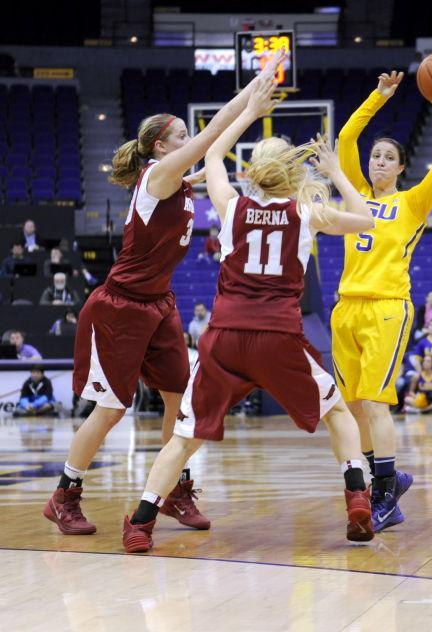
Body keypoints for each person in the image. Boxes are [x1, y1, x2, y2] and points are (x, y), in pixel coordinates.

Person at [42, 48, 287, 538]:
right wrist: (254, 89)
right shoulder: (157, 177)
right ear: (160, 147)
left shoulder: (180, 182)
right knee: (112, 409)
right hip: (120, 307)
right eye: (179, 135)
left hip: (159, 306)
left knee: (182, 398)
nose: (187, 140)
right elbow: (211, 133)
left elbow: (204, 160)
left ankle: (173, 490)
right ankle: (64, 495)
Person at [122, 101, 378, 552]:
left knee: (183, 439)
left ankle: (141, 523)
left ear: (254, 172)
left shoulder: (231, 205)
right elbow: (366, 218)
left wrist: (249, 112)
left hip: (224, 338)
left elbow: (215, 154)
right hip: (279, 337)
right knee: (338, 413)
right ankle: (357, 496)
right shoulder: (308, 214)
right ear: (293, 175)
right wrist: (337, 173)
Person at [334, 69, 432, 532]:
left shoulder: (411, 203)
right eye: (377, 156)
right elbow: (347, 138)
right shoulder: (355, 197)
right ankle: (388, 477)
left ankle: (385, 495)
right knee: (351, 408)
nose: (380, 162)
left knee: (374, 403)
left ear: (402, 167)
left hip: (388, 306)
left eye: (389, 157)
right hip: (345, 308)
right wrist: (379, 95)